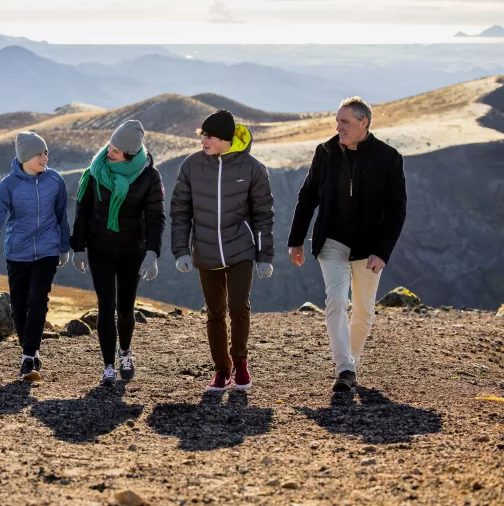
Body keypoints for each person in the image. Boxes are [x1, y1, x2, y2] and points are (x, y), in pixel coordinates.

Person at [287, 97, 406, 392]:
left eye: (344, 122)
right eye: (337, 121)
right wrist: (296, 240)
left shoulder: (388, 157)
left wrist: (383, 251)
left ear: (363, 123)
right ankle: (345, 368)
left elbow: (396, 208)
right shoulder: (325, 152)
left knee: (364, 311)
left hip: (370, 248)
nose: (337, 127)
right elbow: (307, 196)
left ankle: (349, 363)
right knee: (337, 300)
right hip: (332, 242)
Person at [170, 109, 275, 392]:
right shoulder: (191, 165)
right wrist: (180, 250)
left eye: (209, 136)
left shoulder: (252, 168)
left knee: (239, 306)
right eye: (202, 135)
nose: (203, 140)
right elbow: (180, 211)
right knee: (215, 312)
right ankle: (221, 370)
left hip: (241, 247)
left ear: (226, 139)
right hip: (204, 249)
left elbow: (263, 215)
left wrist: (264, 256)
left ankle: (240, 363)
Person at [70, 120, 165, 386]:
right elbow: (83, 210)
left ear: (130, 156)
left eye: (116, 151)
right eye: (110, 146)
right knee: (105, 305)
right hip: (99, 247)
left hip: (130, 251)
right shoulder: (95, 170)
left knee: (125, 308)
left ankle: (125, 352)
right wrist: (77, 246)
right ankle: (108, 365)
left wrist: (152, 253)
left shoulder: (149, 176)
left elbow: (156, 218)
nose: (109, 152)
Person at [0, 131, 71, 382]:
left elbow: (62, 216)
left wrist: (64, 247)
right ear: (26, 157)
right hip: (17, 253)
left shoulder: (55, 180)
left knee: (37, 299)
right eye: (40, 154)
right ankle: (28, 352)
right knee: (19, 306)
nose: (45, 157)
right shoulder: (8, 185)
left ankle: (29, 356)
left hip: (47, 251)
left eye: (46, 153)